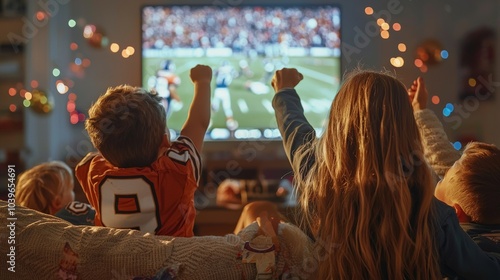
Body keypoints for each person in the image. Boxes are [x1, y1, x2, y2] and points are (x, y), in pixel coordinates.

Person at [271, 68, 500, 279]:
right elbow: (487, 271)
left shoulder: (317, 180)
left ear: (339, 127)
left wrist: (284, 92)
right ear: (407, 132)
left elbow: (297, 133)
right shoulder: (433, 215)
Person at [76, 64, 212, 237]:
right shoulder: (177, 172)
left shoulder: (90, 170)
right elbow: (199, 124)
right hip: (174, 261)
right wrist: (203, 81)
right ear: (165, 142)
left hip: (117, 261)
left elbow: (101, 150)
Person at [409, 77, 500, 255]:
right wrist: (420, 110)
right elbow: (442, 155)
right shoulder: (484, 208)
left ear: (455, 212)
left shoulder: (449, 252)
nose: (443, 172)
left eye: (443, 178)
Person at [15, 161, 95, 225]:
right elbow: (100, 215)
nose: (73, 193)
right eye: (71, 189)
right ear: (57, 202)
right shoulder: (71, 212)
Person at [212, 61, 238, 130]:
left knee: (213, 108)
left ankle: (207, 123)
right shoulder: (230, 69)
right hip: (225, 90)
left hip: (217, 90)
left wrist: (219, 70)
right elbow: (236, 75)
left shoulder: (220, 70)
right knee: (227, 108)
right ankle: (230, 124)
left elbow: (214, 73)